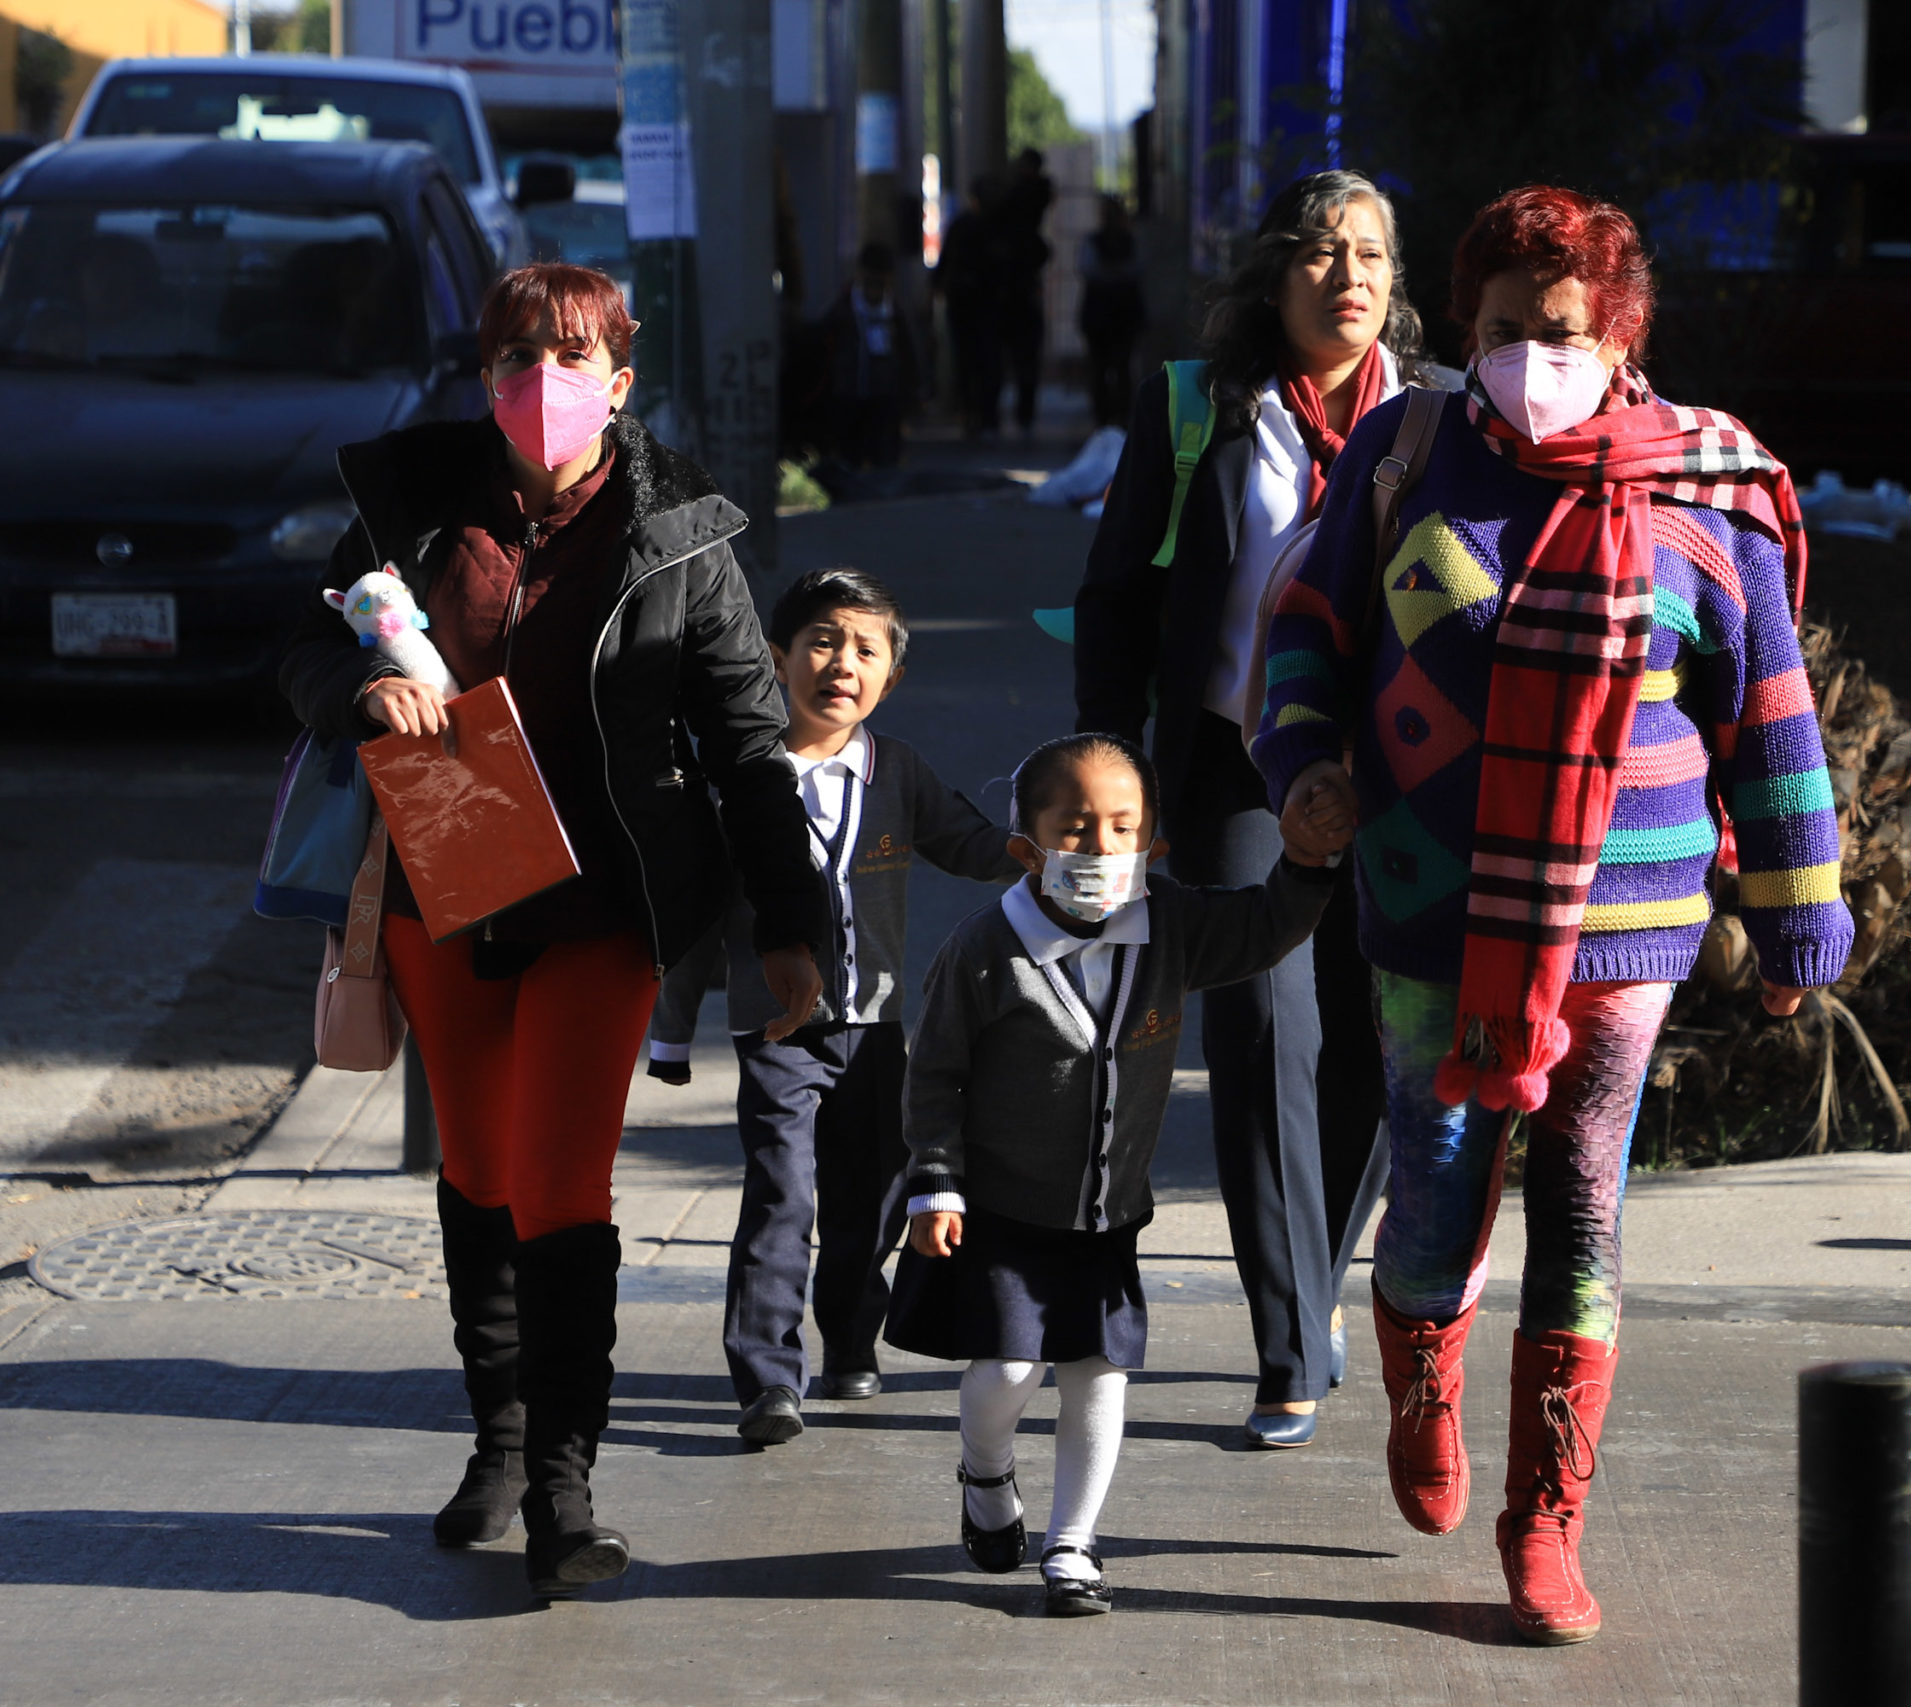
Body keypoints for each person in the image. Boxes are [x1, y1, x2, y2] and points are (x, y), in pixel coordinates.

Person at [1252, 186, 1854, 1644]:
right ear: (1470, 327)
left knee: (1584, 1201)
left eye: (1563, 328)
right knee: (1435, 1190)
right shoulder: (1408, 455)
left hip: (1626, 925)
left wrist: (1795, 919)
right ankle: (1420, 1380)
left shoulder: (1702, 494)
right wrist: (1304, 761)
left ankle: (1547, 1518)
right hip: (1427, 908)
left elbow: (1770, 715)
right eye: (1507, 327)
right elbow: (1305, 626)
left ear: (1620, 333)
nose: (1534, 352)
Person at [277, 262, 830, 1598]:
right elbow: (297, 657)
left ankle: (563, 1488)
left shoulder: (682, 530)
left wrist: (792, 927)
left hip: (606, 895)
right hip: (449, 873)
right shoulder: (407, 504)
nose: (544, 378)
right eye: (520, 353)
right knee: (476, 1164)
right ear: (484, 374)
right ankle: (500, 1430)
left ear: (621, 378)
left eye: (574, 354)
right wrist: (363, 688)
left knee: (561, 1179)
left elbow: (755, 742)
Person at [1072, 169, 1434, 1448]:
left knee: (1374, 1044)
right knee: (1262, 1044)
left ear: (1397, 288)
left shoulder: (1438, 425)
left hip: (1403, 775)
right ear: (1277, 275)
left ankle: (1318, 1277)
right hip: (1236, 770)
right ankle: (1287, 1345)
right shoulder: (1194, 409)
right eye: (1324, 254)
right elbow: (1116, 597)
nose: (1348, 277)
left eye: (1372, 257)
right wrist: (1113, 767)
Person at [884, 733, 1352, 1615]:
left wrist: (1305, 858)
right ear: (1028, 848)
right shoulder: (985, 951)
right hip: (1002, 1213)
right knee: (1009, 1374)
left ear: (1155, 845)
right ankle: (986, 1473)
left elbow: (1262, 927)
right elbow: (934, 1074)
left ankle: (1072, 1544)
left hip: (1105, 1217)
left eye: (1123, 828)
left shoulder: (1168, 925)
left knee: (1100, 1374)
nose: (1101, 849)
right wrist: (935, 1180)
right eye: (1076, 829)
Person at [643, 568, 1015, 1441]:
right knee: (782, 1193)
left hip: (877, 1027)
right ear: (775, 659)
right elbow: (692, 920)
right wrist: (668, 1032)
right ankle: (768, 1376)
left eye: (865, 648)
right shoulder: (740, 779)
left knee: (874, 1198)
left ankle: (851, 1341)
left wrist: (1032, 849)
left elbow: (965, 841)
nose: (841, 662)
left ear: (890, 677)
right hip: (775, 1029)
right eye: (820, 640)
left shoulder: (898, 771)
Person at [822, 242, 919, 470]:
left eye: (881, 282)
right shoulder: (844, 310)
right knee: (852, 456)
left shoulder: (894, 312)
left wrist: (911, 392)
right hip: (851, 397)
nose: (876, 289)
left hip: (885, 399)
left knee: (884, 457)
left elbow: (907, 354)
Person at [934, 176, 1008, 438]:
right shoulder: (986, 227)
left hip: (975, 304)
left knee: (975, 362)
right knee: (980, 362)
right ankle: (978, 414)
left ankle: (977, 414)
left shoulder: (974, 226)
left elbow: (945, 264)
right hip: (975, 304)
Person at [997, 148, 1055, 436]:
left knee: (1021, 356)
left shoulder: (1023, 197)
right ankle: (1020, 413)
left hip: (1016, 290)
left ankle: (1020, 413)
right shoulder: (1027, 199)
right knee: (1020, 356)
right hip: (1017, 290)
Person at [1075, 195, 1146, 428]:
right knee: (1100, 369)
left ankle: (1120, 417)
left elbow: (1135, 269)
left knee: (1121, 368)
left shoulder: (1129, 242)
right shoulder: (1095, 242)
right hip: (1100, 316)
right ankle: (1104, 417)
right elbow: (1089, 269)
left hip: (1122, 315)